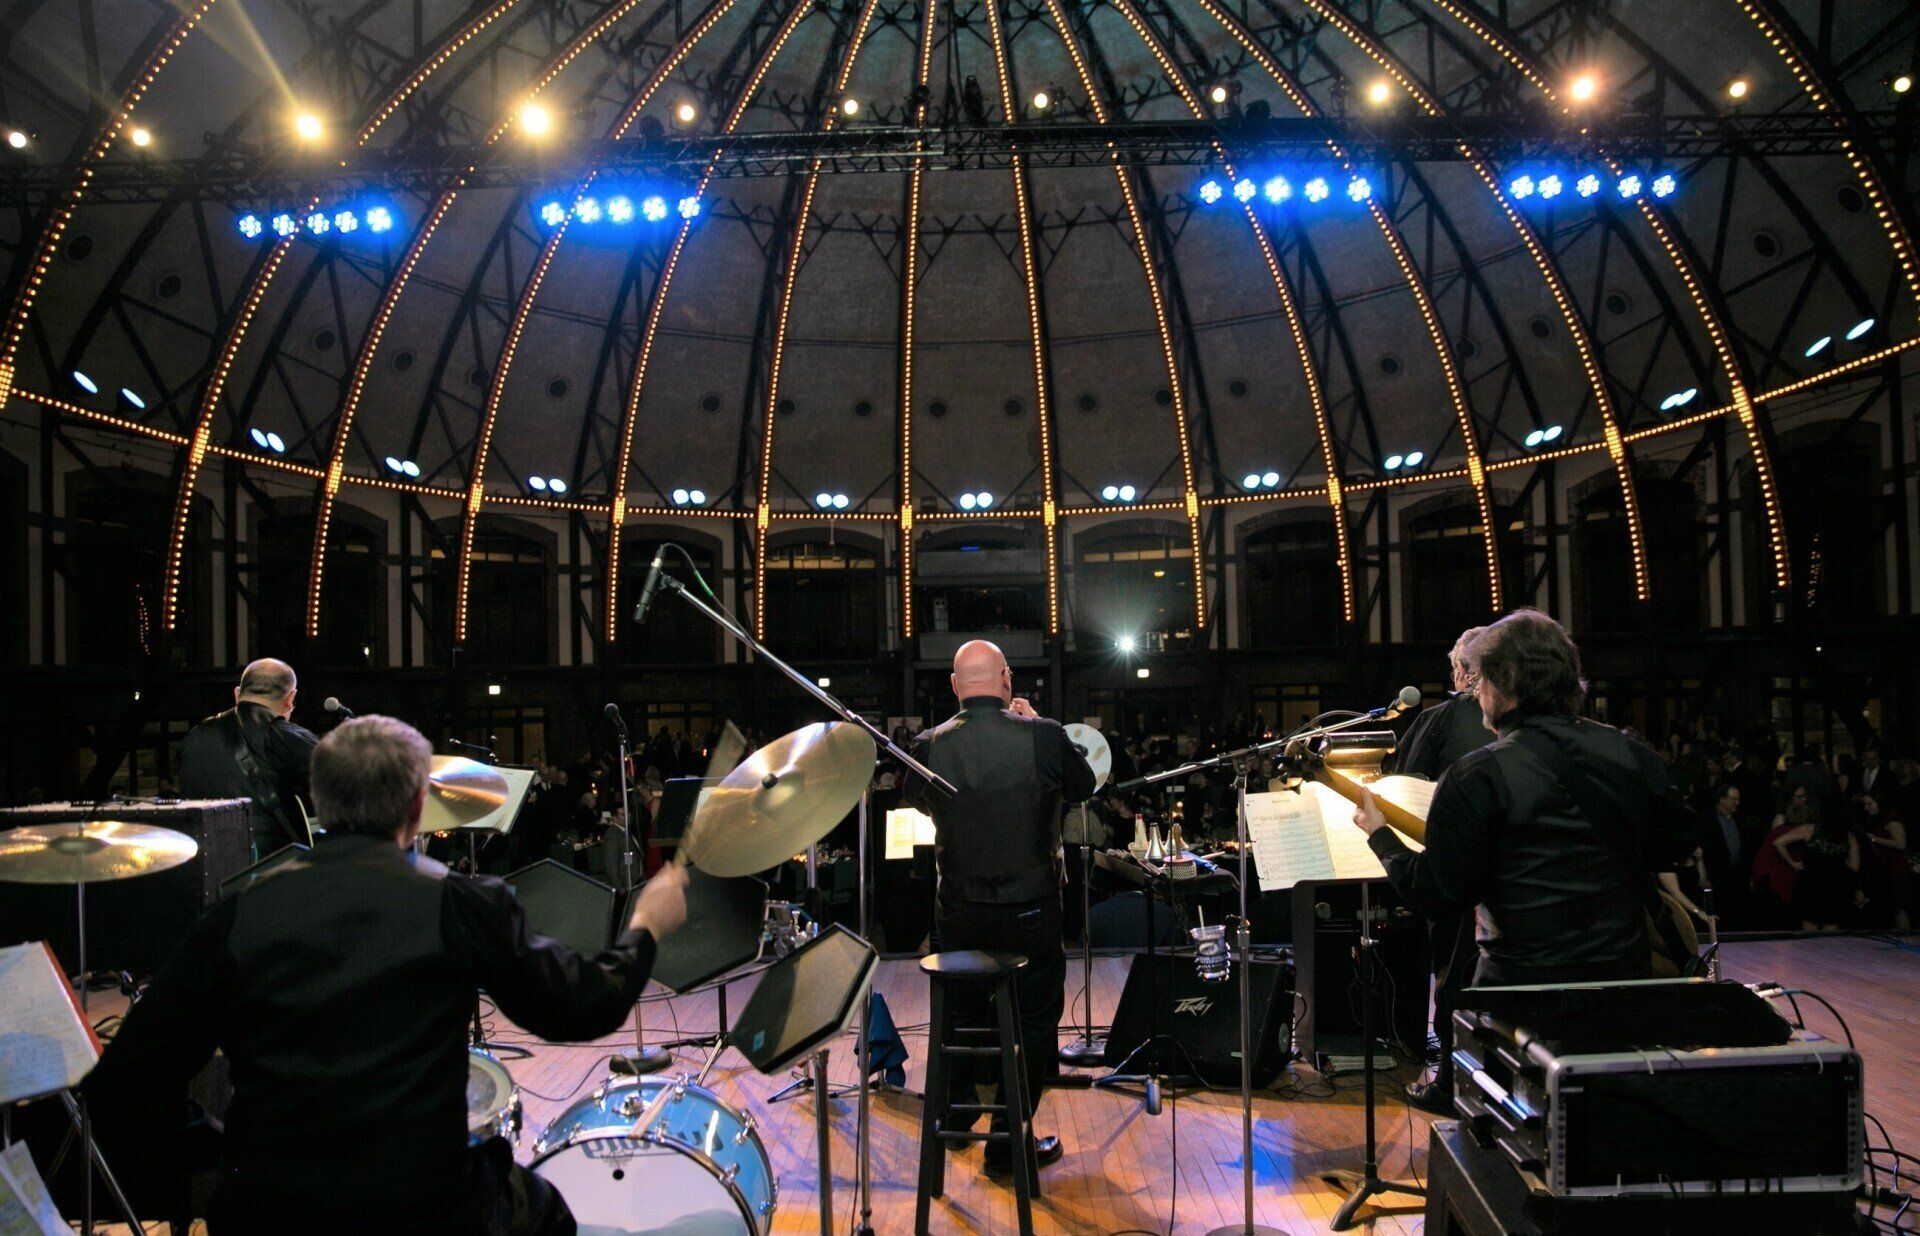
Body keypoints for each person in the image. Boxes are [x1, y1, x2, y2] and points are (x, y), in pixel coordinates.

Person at [84, 715, 692, 1234]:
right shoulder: (462, 903)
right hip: (425, 1208)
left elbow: (122, 1087)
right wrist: (644, 926)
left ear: (319, 802)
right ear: (415, 806)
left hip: (271, 1210)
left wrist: (224, 1150)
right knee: (546, 1213)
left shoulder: (238, 914)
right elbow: (583, 1005)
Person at [1350, 610, 1695, 1090]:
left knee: (1516, 1144)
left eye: (1483, 679)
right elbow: (1676, 841)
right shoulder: (1629, 752)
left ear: (1504, 683)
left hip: (1522, 1002)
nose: (1478, 693)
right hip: (1620, 987)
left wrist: (1379, 833)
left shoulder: (1478, 775)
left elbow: (1436, 892)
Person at [902, 640, 1096, 1175]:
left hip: (959, 911)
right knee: (1035, 1020)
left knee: (961, 1015)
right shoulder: (1042, 736)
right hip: (1030, 911)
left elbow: (920, 801)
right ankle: (1008, 1146)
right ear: (1007, 681)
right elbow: (1085, 783)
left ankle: (956, 1125)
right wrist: (1040, 723)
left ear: (955, 686)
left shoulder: (929, 745)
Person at [1391, 626, 1491, 1114]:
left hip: (1458, 872)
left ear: (1460, 673)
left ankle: (1450, 1084)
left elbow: (1404, 787)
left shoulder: (1441, 719)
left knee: (1453, 977)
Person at [179, 658, 320, 856]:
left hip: (204, 861)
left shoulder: (195, 736)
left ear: (237, 694)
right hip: (271, 867)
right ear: (290, 698)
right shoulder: (292, 737)